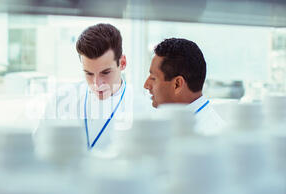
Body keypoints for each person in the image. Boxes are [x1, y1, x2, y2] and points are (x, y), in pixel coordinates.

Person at [36, 23, 145, 152]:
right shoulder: (61, 100)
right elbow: (38, 148)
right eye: (89, 73)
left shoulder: (142, 108)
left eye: (105, 73)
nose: (97, 84)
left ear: (122, 63)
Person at [143, 38, 226, 135]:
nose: (146, 85)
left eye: (153, 78)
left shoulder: (208, 136)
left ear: (177, 84)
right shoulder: (177, 124)